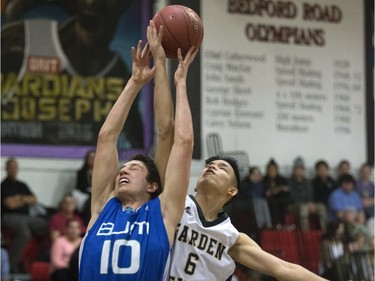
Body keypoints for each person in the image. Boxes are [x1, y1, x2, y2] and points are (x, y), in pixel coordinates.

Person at [146, 21, 327, 281]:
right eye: (210, 165)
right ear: (195, 184)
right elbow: (166, 130)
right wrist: (162, 66)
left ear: (232, 191)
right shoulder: (173, 202)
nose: (211, 167)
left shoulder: (232, 237)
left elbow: (283, 269)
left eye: (222, 168)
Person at [78, 22, 197, 280]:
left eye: (134, 168)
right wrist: (134, 82)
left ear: (153, 186)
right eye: (124, 167)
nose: (124, 169)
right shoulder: (102, 206)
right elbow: (106, 137)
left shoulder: (163, 212)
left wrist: (180, 83)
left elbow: (180, 139)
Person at [1, 157, 48, 273]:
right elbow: (10, 205)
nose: (13, 170)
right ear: (6, 169)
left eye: (15, 167)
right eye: (10, 167)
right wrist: (24, 199)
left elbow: (34, 199)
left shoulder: (22, 185)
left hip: (26, 217)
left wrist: (19, 198)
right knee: (24, 233)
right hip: (9, 217)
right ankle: (12, 264)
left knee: (47, 225)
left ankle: (40, 259)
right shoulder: (3, 186)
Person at [287, 157, 327, 231]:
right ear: (294, 170)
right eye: (297, 169)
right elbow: (292, 196)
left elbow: (310, 194)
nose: (300, 171)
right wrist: (306, 203)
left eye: (301, 169)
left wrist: (311, 203)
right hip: (294, 205)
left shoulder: (307, 182)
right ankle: (305, 232)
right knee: (303, 208)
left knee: (322, 207)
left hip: (308, 203)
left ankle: (324, 231)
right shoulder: (289, 182)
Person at [263, 158, 292, 227]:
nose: (272, 172)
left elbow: (287, 189)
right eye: (270, 170)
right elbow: (266, 193)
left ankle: (282, 224)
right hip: (269, 201)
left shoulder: (282, 179)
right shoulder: (264, 180)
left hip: (281, 200)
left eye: (274, 170)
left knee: (282, 204)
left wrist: (278, 190)